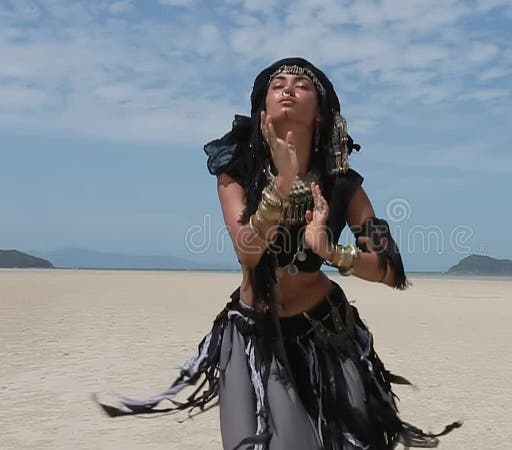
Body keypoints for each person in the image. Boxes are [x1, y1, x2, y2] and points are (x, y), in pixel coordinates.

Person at [96, 57, 461, 449]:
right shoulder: (235, 174)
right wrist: (281, 186)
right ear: (263, 111)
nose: (288, 88)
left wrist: (332, 251)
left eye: (302, 85)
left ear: (320, 114)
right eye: (278, 84)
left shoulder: (343, 189)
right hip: (257, 337)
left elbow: (390, 271)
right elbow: (248, 252)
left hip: (328, 333)